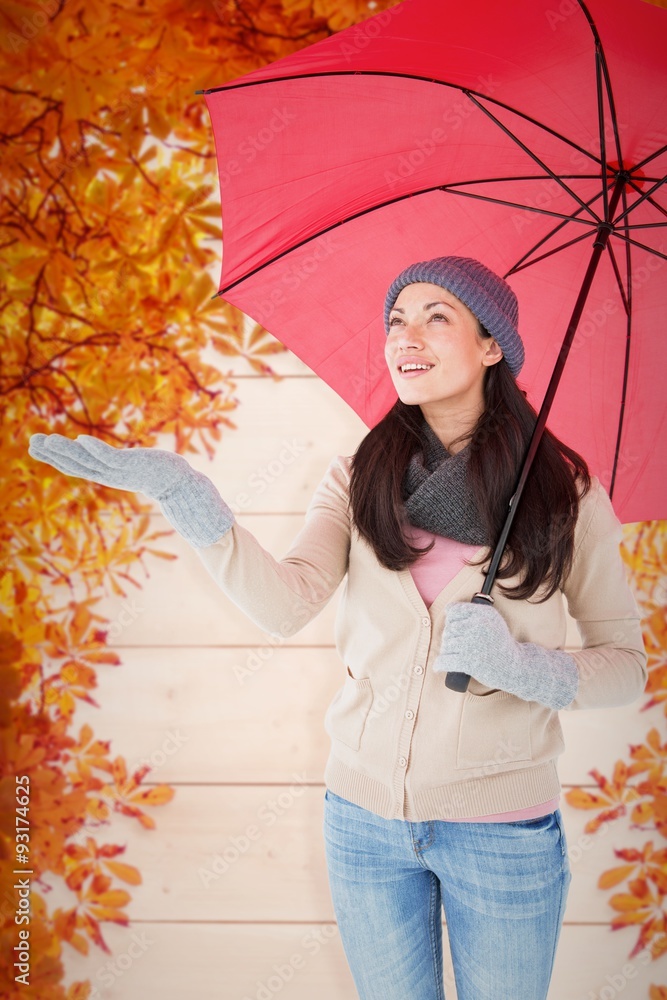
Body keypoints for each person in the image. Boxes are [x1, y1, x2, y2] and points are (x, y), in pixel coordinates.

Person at [28, 256, 647, 1000]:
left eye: (434, 317)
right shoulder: (359, 474)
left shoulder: (563, 492)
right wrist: (185, 495)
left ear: (493, 347)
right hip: (363, 826)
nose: (403, 337)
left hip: (503, 833)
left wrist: (524, 668)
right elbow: (285, 602)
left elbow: (625, 664)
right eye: (395, 320)